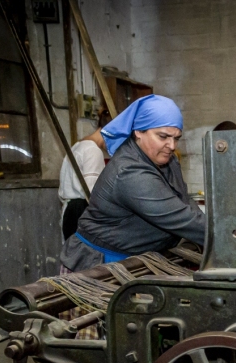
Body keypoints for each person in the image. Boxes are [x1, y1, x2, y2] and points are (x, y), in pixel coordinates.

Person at [59, 95, 206, 273]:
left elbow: (185, 202)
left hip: (136, 260)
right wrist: (233, 238)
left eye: (176, 138)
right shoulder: (129, 172)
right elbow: (183, 219)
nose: (172, 145)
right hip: (99, 265)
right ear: (138, 131)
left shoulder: (167, 160)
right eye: (163, 136)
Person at [58, 109, 110, 240]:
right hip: (80, 212)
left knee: (72, 257)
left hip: (69, 211)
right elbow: (94, 193)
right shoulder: (93, 151)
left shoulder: (78, 146)